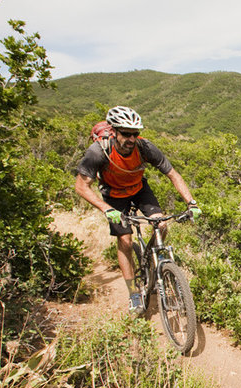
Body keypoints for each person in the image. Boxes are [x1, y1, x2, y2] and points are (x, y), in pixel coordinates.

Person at [74, 105, 201, 316]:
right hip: (113, 195)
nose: (131, 139)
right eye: (126, 134)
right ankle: (134, 293)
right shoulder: (99, 151)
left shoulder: (145, 148)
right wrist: (106, 209)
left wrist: (191, 202)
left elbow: (173, 174)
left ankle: (157, 264)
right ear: (114, 131)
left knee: (161, 224)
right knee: (124, 240)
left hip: (139, 189)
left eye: (135, 134)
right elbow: (81, 186)